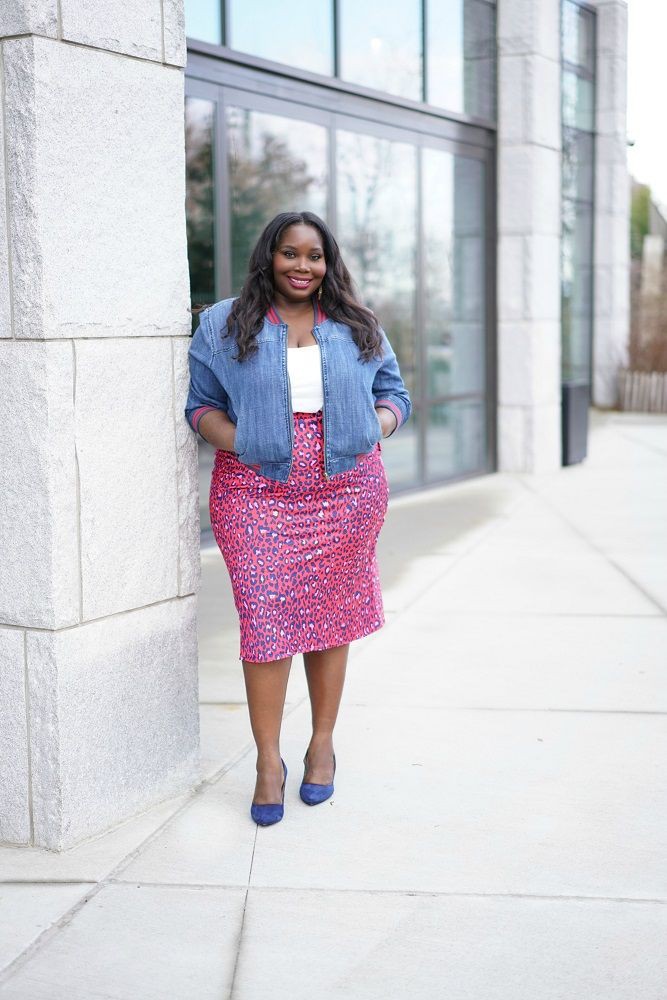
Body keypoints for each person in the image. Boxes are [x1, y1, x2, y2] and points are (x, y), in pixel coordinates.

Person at [185, 211, 411, 827]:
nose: (302, 266)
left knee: (330, 618)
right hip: (255, 491)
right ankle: (265, 761)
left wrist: (376, 426)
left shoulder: (358, 325)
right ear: (270, 256)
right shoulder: (225, 324)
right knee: (265, 622)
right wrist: (237, 439)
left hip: (347, 488)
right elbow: (199, 403)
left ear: (328, 262)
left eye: (314, 256)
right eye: (291, 253)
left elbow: (395, 392)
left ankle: (320, 746)